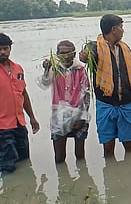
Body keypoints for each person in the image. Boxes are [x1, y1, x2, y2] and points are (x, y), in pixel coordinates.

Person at [79, 14, 131, 158]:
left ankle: (130, 172)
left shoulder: (125, 50)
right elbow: (86, 54)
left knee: (130, 146)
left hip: (126, 104)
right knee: (108, 147)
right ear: (114, 29)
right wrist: (84, 56)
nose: (123, 30)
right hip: (106, 104)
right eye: (121, 27)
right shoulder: (96, 47)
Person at [38, 40, 90, 163]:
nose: (66, 56)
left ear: (74, 54)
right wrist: (46, 69)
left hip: (78, 114)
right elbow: (44, 84)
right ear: (57, 54)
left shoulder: (80, 69)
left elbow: (86, 95)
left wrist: (82, 117)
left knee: (80, 154)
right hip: (59, 115)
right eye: (62, 53)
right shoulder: (54, 69)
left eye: (69, 53)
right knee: (59, 157)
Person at [0, 33, 40, 173]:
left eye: (5, 48)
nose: (3, 52)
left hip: (19, 124)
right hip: (2, 128)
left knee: (24, 161)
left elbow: (23, 93)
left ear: (10, 49)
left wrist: (32, 118)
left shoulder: (18, 69)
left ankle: (25, 192)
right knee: (7, 166)